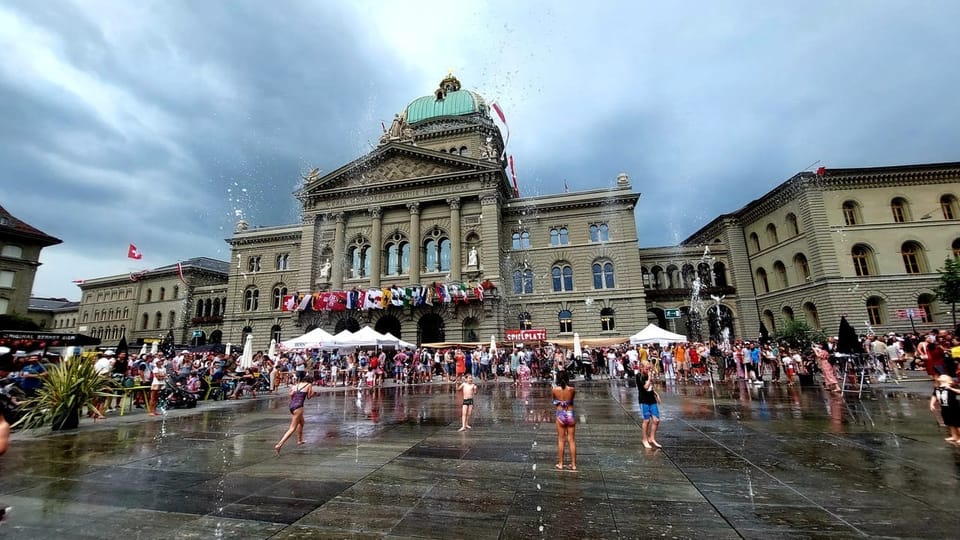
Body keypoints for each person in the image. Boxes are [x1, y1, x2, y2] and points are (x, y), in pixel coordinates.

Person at [275, 375, 314, 455]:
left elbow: (291, 394)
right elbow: (309, 397)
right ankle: (279, 444)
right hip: (299, 407)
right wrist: (314, 393)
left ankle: (299, 440)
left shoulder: (296, 385)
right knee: (292, 428)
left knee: (302, 422)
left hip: (292, 406)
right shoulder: (309, 385)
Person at [552, 369, 577, 470]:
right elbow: (572, 400)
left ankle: (561, 463)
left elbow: (554, 401)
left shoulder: (554, 390)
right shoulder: (572, 389)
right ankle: (574, 464)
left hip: (560, 414)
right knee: (571, 440)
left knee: (561, 440)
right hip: (570, 414)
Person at [636, 360, 661, 449]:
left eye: (649, 368)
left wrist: (656, 394)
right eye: (646, 369)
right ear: (642, 368)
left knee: (656, 420)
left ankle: (652, 438)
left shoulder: (648, 374)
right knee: (646, 420)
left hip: (652, 399)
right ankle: (644, 439)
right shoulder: (639, 376)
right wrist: (649, 378)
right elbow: (645, 387)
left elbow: (650, 388)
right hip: (644, 400)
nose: (648, 370)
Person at [930, 375, 960, 444]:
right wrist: (932, 404)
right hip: (945, 409)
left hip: (954, 408)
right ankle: (954, 436)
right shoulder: (937, 388)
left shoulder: (951, 387)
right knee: (950, 424)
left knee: (958, 424)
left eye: (944, 376)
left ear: (949, 381)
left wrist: (951, 388)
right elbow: (934, 396)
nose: (941, 376)